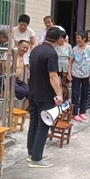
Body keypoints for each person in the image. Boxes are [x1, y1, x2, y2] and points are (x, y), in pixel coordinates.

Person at [26, 26, 65, 168]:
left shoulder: (35, 50)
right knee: (43, 126)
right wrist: (59, 94)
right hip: (45, 95)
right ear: (58, 39)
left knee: (34, 124)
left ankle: (32, 153)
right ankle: (36, 159)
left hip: (33, 92)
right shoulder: (51, 53)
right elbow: (53, 75)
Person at [67, 31, 90, 123]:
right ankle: (74, 113)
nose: (77, 39)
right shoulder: (74, 49)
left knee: (85, 94)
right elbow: (70, 61)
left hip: (87, 74)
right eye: (77, 38)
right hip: (76, 74)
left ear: (84, 38)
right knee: (75, 94)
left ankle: (82, 111)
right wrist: (69, 73)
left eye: (79, 38)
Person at [54, 34, 72, 101]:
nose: (60, 39)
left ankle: (65, 101)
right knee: (55, 84)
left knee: (65, 85)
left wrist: (70, 71)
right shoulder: (55, 46)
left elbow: (70, 59)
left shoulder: (68, 46)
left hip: (66, 68)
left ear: (64, 39)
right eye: (59, 38)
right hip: (56, 67)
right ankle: (55, 100)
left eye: (61, 38)